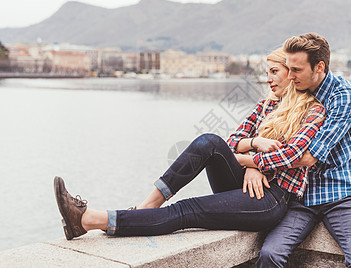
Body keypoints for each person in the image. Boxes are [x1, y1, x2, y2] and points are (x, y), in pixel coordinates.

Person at [53, 48, 326, 241]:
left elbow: (291, 156)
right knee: (209, 141)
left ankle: (90, 220)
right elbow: (231, 141)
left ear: (291, 74)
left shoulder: (312, 111)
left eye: (275, 71)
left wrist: (250, 161)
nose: (269, 78)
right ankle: (149, 205)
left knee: (188, 210)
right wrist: (254, 143)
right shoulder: (266, 104)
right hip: (244, 181)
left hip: (271, 199)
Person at [256, 33, 351, 268]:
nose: (289, 76)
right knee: (269, 255)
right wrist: (253, 160)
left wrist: (254, 162)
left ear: (319, 67)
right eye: (288, 69)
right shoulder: (296, 94)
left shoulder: (344, 97)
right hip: (300, 196)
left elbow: (307, 158)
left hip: (341, 195)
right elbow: (262, 131)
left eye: (296, 70)